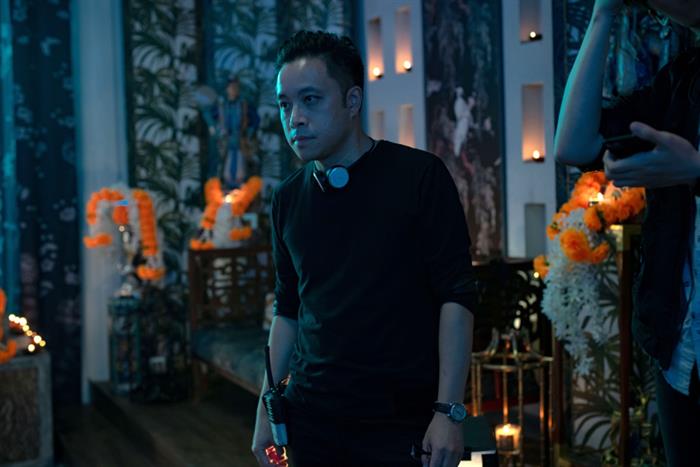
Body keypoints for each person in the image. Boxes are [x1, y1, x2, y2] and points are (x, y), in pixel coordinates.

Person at [251, 30, 478, 467]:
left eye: (310, 100)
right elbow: (288, 309)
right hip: (311, 418)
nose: (294, 118)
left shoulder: (419, 177)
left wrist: (449, 411)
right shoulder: (287, 198)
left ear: (352, 100)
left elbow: (457, 295)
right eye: (285, 104)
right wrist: (266, 407)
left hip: (401, 421)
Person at [554, 1, 700, 465]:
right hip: (683, 352)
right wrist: (602, 16)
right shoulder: (684, 78)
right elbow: (574, 144)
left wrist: (696, 170)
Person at [207, 76, 260, 188]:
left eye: (236, 87)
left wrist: (249, 133)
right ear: (227, 89)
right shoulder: (221, 105)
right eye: (231, 87)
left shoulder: (244, 104)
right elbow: (209, 115)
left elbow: (255, 119)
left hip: (241, 141)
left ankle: (240, 186)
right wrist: (213, 127)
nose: (233, 89)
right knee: (223, 167)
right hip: (225, 141)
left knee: (241, 167)